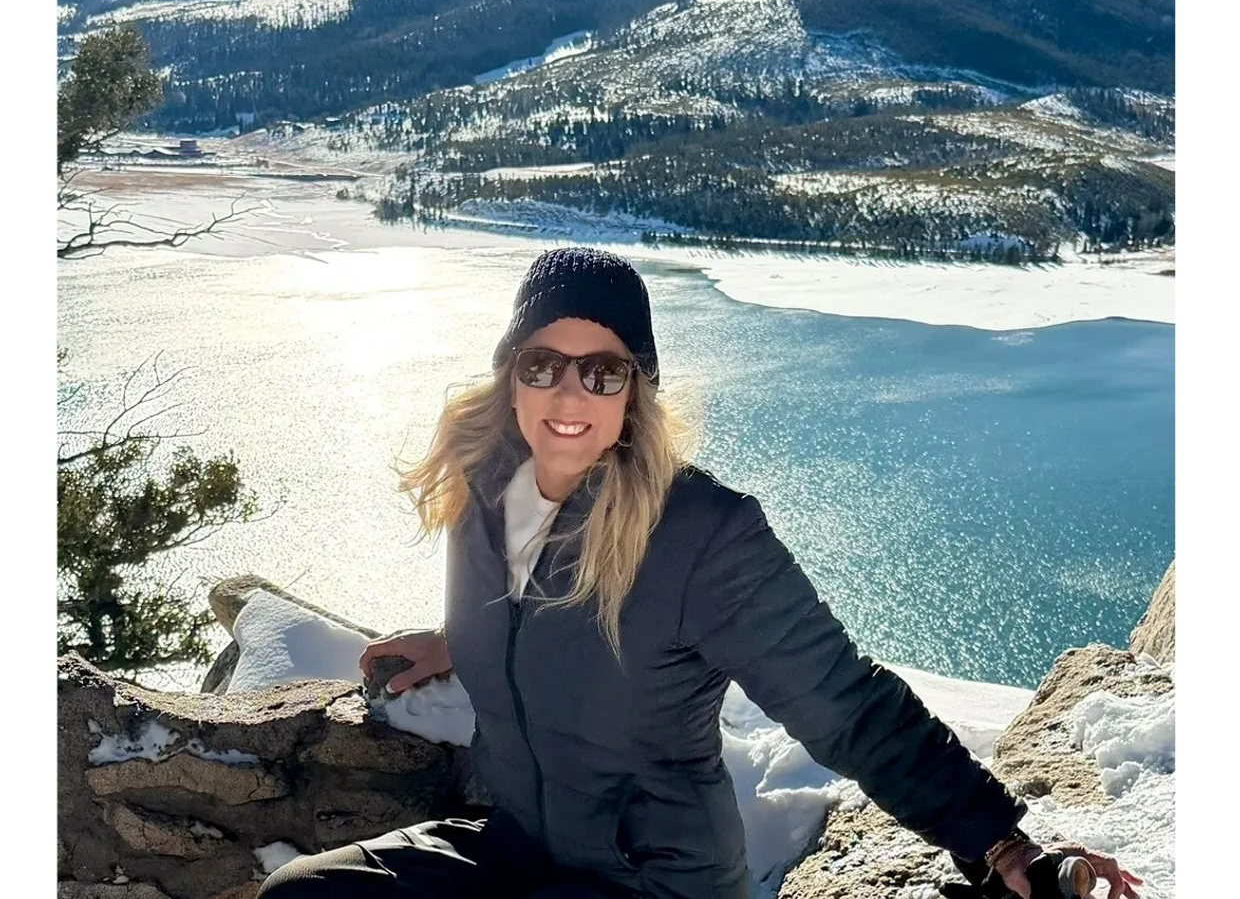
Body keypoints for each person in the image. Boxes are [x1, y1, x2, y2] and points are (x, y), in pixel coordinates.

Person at [259, 247, 1142, 899]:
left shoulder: (704, 535)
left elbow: (849, 704)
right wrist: (459, 638)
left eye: (603, 370)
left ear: (636, 391)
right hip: (520, 841)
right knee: (300, 895)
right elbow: (543, 619)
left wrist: (999, 841)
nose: (570, 393)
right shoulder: (486, 493)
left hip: (654, 878)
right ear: (511, 377)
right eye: (543, 364)